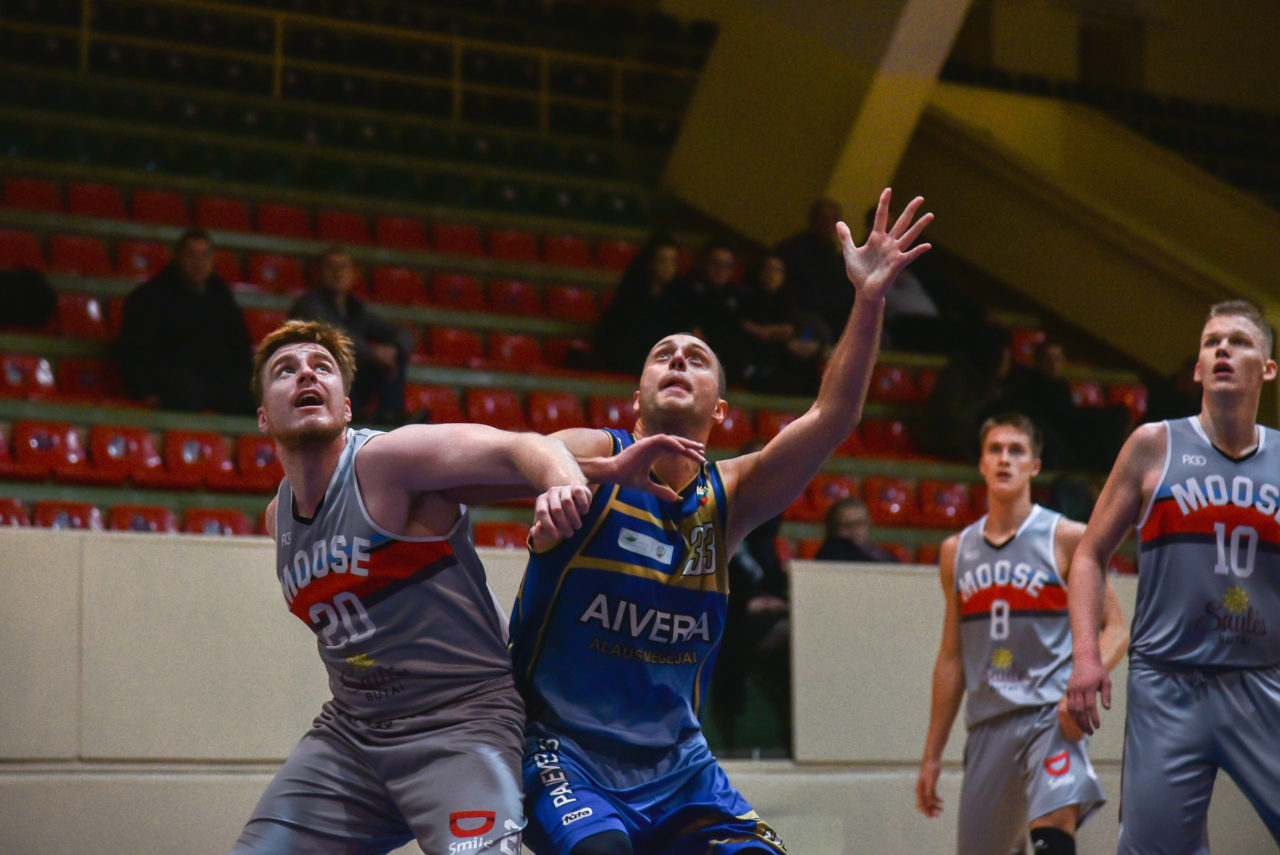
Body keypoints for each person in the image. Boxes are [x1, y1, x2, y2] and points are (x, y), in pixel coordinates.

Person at [509, 188, 932, 855]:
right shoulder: (593, 451)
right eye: (663, 354)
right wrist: (562, 482)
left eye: (697, 357)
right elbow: (522, 458)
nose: (679, 358)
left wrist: (869, 299)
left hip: (681, 769)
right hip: (564, 750)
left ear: (721, 410)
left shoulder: (729, 494)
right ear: (636, 399)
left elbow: (834, 417)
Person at [231, 319, 701, 855]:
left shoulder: (386, 461)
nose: (306, 375)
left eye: (322, 367)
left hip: (460, 724)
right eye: (284, 370)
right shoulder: (278, 518)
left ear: (346, 407)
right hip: (352, 735)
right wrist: (597, 465)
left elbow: (517, 448)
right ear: (263, 416)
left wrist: (565, 482)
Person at [1066, 300, 1280, 852]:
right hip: (1169, 684)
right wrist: (1086, 655)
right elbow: (1089, 555)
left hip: (1262, 678)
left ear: (1268, 369)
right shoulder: (1152, 445)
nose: (1223, 349)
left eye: (1239, 341)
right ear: (1198, 369)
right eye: (1212, 343)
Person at [915, 413, 1128, 855]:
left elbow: (1116, 628)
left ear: (1035, 466)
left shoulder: (1068, 538)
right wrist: (932, 754)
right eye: (995, 450)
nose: (1005, 459)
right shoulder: (956, 552)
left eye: (1016, 451)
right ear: (981, 464)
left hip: (1050, 713)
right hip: (987, 724)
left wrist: (1081, 682)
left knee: (1053, 827)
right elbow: (951, 657)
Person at [115, 227, 256, 414]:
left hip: (215, 377)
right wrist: (145, 390)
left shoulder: (220, 294)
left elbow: (240, 344)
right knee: (186, 394)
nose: (198, 263)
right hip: (174, 377)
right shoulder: (150, 296)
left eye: (205, 256)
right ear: (177, 257)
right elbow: (136, 350)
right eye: (191, 255)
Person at [712, 440, 792, 753]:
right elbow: (711, 569)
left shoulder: (769, 521)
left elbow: (768, 573)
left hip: (761, 616)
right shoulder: (722, 505)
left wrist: (775, 597)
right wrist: (747, 602)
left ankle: (791, 733)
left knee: (795, 640)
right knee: (787, 638)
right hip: (726, 613)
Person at [289, 247, 411, 424]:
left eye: (343, 267)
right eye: (331, 267)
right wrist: (373, 352)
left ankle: (391, 415)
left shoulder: (355, 308)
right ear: (319, 273)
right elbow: (332, 335)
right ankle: (352, 415)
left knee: (395, 356)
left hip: (353, 378)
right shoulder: (308, 305)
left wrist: (396, 349)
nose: (337, 272)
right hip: (315, 377)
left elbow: (401, 333)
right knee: (336, 358)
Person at [593, 233, 688, 376]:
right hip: (633, 359)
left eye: (672, 262)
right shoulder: (632, 293)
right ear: (650, 262)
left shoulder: (680, 296)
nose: (668, 267)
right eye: (663, 261)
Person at [738, 253, 827, 396]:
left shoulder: (790, 301)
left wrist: (807, 341)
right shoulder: (745, 297)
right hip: (758, 359)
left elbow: (806, 329)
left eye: (777, 270)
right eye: (768, 269)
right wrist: (767, 331)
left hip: (788, 358)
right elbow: (744, 326)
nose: (772, 275)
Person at [774, 197, 852, 324]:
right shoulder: (792, 249)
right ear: (813, 219)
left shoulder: (837, 259)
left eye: (832, 220)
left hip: (829, 316)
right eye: (823, 218)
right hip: (797, 313)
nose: (827, 224)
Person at [813, 496, 899, 563]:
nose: (854, 530)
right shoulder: (831, 553)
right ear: (834, 528)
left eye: (859, 523)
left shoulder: (877, 553)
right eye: (847, 525)